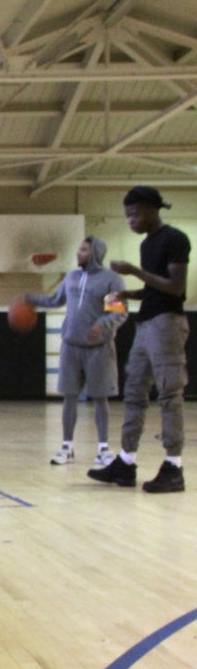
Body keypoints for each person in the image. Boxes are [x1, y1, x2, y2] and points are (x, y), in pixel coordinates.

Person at [89, 186, 190, 493]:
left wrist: (134, 272)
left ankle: (174, 466)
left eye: (134, 214)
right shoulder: (148, 245)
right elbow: (154, 289)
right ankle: (126, 461)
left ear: (151, 209)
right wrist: (127, 293)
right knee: (134, 392)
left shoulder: (174, 239)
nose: (130, 220)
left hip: (167, 324)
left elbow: (175, 287)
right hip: (146, 324)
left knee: (169, 394)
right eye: (127, 215)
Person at [21, 236, 127, 466]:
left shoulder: (111, 280)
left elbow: (119, 313)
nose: (78, 253)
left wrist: (102, 325)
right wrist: (29, 299)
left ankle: (103, 450)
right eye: (79, 249)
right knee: (69, 397)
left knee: (100, 398)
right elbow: (53, 300)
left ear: (96, 253)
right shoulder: (71, 277)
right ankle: (66, 447)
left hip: (99, 349)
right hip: (71, 346)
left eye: (84, 250)